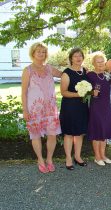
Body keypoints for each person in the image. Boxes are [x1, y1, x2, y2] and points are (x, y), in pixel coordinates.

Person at [21, 42, 62, 173]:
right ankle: (40, 159)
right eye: (38, 51)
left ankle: (49, 159)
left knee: (52, 135)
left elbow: (64, 74)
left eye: (43, 52)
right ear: (33, 53)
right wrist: (25, 110)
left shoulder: (49, 68)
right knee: (36, 135)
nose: (41, 54)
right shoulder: (27, 70)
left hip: (50, 108)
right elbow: (24, 92)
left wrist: (81, 70)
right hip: (34, 109)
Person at [60, 48, 89, 170]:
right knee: (69, 134)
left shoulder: (85, 71)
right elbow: (63, 92)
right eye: (75, 56)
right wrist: (78, 94)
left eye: (80, 56)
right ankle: (68, 158)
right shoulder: (66, 73)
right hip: (70, 107)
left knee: (80, 133)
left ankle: (77, 156)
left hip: (82, 106)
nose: (78, 58)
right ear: (71, 58)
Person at [87, 52, 111, 166]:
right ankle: (97, 157)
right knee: (97, 130)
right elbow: (85, 90)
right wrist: (92, 92)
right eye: (98, 61)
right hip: (96, 106)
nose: (101, 63)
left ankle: (103, 155)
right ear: (93, 63)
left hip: (106, 105)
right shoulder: (90, 75)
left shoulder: (108, 75)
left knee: (104, 129)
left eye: (102, 61)